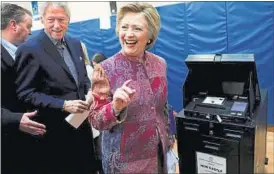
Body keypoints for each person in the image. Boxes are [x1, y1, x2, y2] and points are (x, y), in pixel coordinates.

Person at [88, 3, 174, 173]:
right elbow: (95, 119)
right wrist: (115, 107)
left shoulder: (160, 64)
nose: (128, 34)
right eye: (124, 27)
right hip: (125, 163)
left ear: (150, 35)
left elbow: (162, 108)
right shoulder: (105, 69)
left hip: (158, 155)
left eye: (137, 28)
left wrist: (168, 137)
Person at [14, 2, 96, 173]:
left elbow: (83, 80)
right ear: (42, 20)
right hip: (54, 133)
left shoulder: (75, 44)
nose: (57, 25)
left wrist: (89, 92)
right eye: (51, 19)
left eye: (62, 19)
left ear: (69, 20)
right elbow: (25, 93)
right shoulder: (29, 49)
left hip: (81, 126)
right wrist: (63, 105)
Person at [1, 3, 46, 173]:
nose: (30, 32)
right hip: (9, 144)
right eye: (28, 26)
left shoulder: (25, 53)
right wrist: (13, 119)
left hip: (33, 140)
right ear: (13, 25)